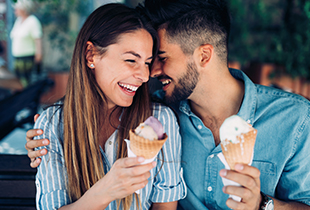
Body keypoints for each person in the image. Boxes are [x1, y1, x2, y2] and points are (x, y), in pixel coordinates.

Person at [26, 0, 310, 209]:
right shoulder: (160, 118)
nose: (149, 73)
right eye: (137, 60)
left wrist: (264, 205)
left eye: (159, 58)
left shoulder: (295, 119)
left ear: (203, 55)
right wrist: (48, 131)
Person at [30, 3, 185, 210]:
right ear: (90, 55)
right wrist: (106, 190)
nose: (145, 75)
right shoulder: (53, 124)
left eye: (147, 62)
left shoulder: (160, 121)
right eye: (131, 60)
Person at [10, 0, 42, 88]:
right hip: (18, 58)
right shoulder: (18, 21)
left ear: (23, 9)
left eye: (17, 8)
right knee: (19, 83)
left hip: (28, 58)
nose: (15, 10)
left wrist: (39, 55)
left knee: (28, 83)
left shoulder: (32, 21)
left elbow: (38, 38)